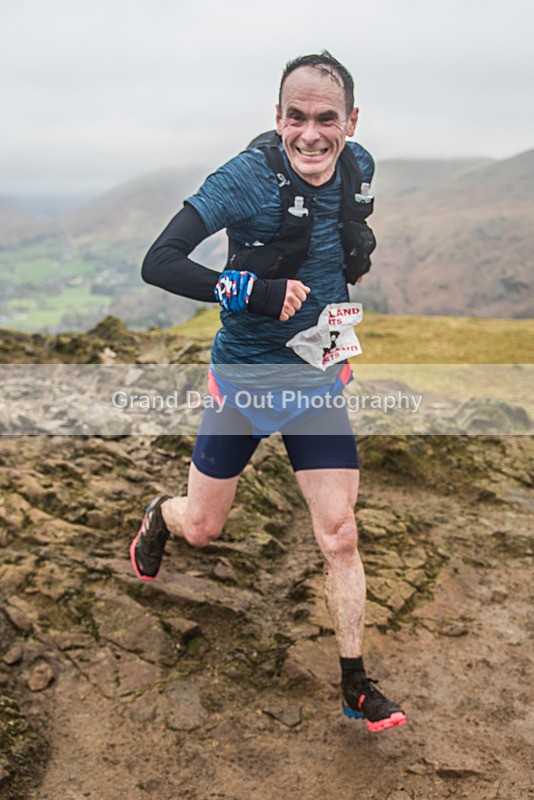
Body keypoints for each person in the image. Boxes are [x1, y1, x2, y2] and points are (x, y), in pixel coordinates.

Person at [130, 51, 407, 733]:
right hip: (244, 383)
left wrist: (338, 312)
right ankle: (158, 514)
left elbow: (345, 249)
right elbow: (158, 261)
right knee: (204, 527)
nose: (310, 133)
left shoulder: (359, 166)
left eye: (326, 119)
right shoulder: (243, 179)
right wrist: (251, 289)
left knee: (340, 534)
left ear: (351, 121)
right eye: (296, 117)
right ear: (276, 117)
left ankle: (354, 685)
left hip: (317, 381)